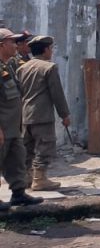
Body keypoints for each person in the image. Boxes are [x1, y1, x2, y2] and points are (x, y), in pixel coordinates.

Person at [16, 36, 71, 192]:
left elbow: (19, 93)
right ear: (46, 50)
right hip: (42, 115)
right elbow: (57, 93)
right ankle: (39, 179)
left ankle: (26, 177)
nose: (51, 52)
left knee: (27, 147)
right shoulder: (49, 68)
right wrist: (64, 115)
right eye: (51, 48)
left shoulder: (22, 68)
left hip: (25, 114)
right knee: (44, 147)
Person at [0, 28, 42, 209]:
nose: (16, 45)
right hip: (2, 129)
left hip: (13, 128)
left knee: (17, 160)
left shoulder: (8, 65)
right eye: (12, 41)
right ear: (1, 45)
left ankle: (18, 194)